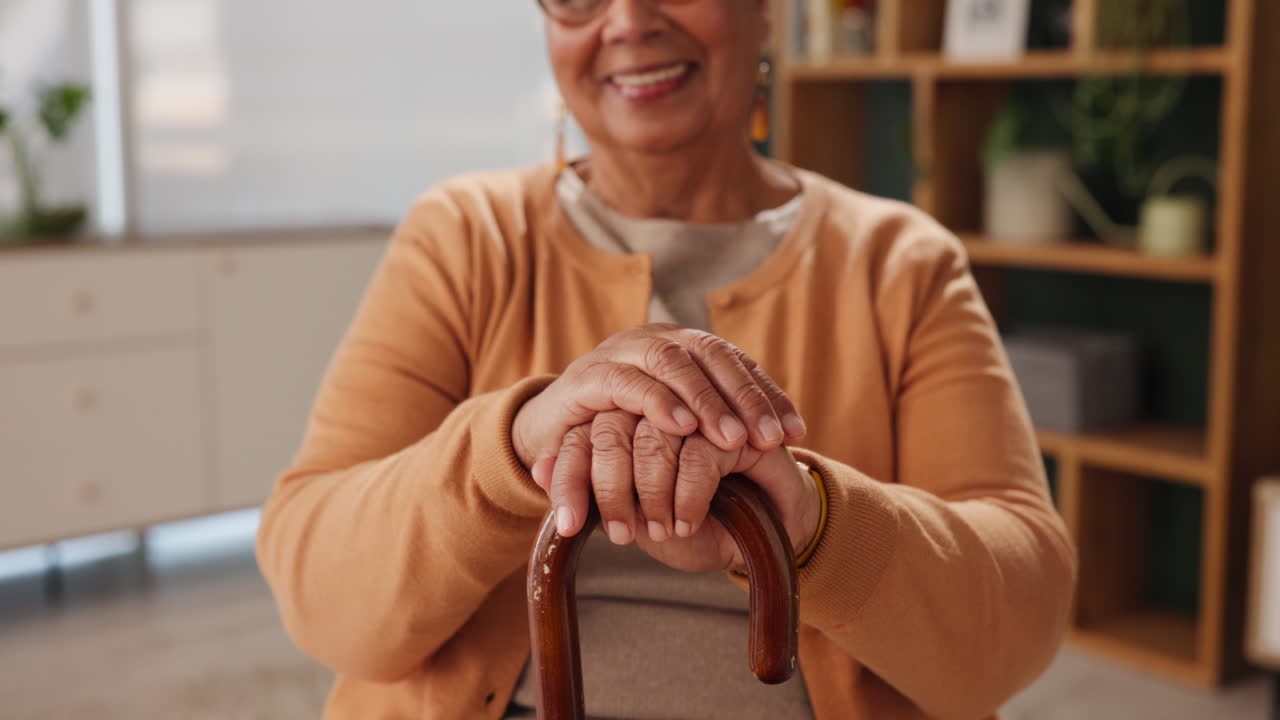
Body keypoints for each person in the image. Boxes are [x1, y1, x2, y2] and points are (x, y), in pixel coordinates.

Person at [255, 1, 1077, 718]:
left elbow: (1017, 625)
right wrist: (509, 451)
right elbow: (317, 590)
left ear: (765, 11)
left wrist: (818, 524)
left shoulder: (901, 264)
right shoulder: (463, 236)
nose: (627, 20)